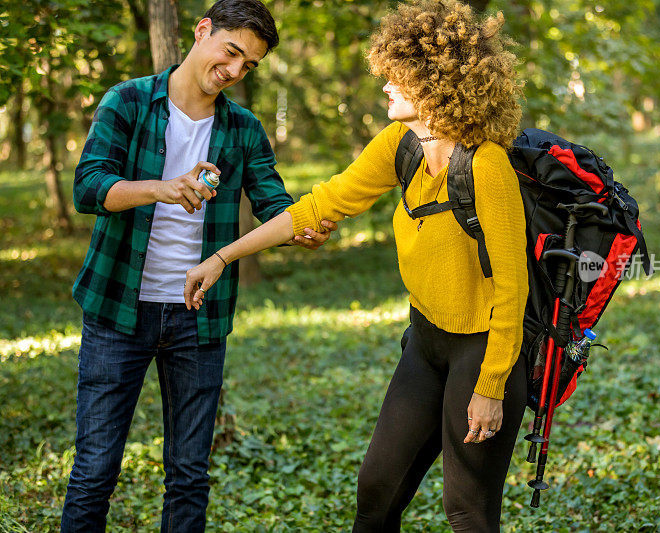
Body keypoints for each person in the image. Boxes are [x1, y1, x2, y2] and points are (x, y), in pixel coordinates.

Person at [185, 0, 526, 530]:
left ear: (435, 82)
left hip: (482, 351)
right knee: (376, 492)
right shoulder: (401, 145)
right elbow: (321, 204)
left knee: (467, 511)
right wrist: (223, 257)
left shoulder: (488, 165)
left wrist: (491, 385)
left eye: (398, 77)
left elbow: (512, 285)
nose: (386, 85)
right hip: (425, 339)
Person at [62, 0, 337, 530]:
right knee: (95, 469)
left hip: (198, 317)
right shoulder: (129, 101)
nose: (234, 71)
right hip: (119, 310)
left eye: (249, 65)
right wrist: (160, 188)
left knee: (188, 473)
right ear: (202, 30)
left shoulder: (243, 128)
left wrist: (300, 227)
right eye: (232, 52)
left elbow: (273, 203)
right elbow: (88, 185)